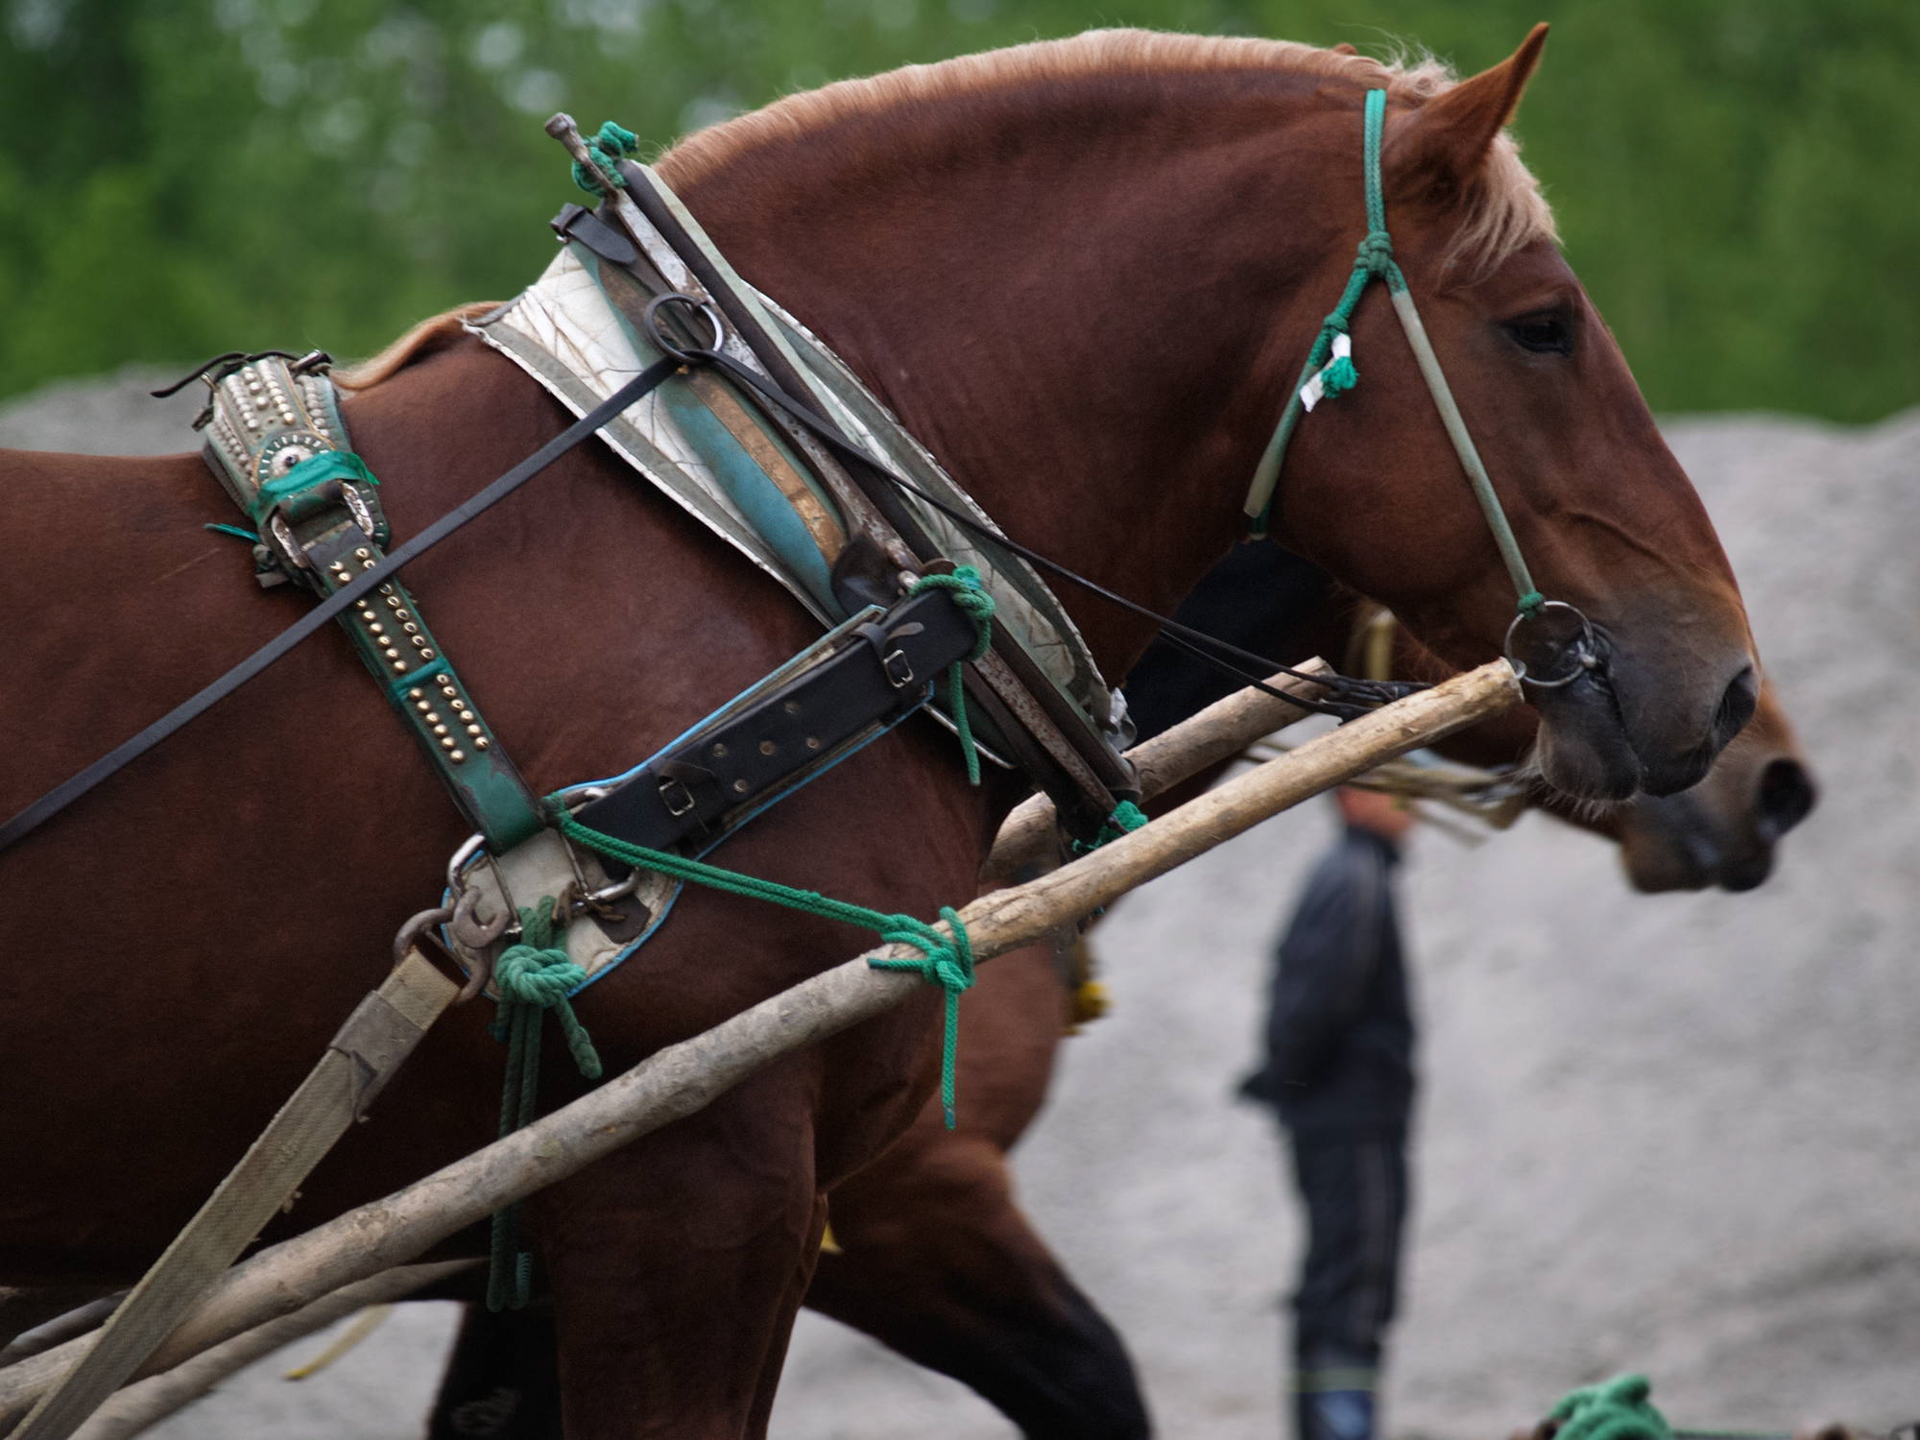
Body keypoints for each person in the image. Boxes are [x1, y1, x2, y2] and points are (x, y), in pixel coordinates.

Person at [1241, 786, 1417, 1440]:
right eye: (1399, 788)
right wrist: (1291, 1080)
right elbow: (1318, 1002)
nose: (1414, 805)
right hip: (1354, 1126)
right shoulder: (1355, 878)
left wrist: (1285, 1084)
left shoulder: (1349, 875)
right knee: (1355, 1291)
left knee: (1336, 1291)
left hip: (1337, 1121)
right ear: (1352, 796)